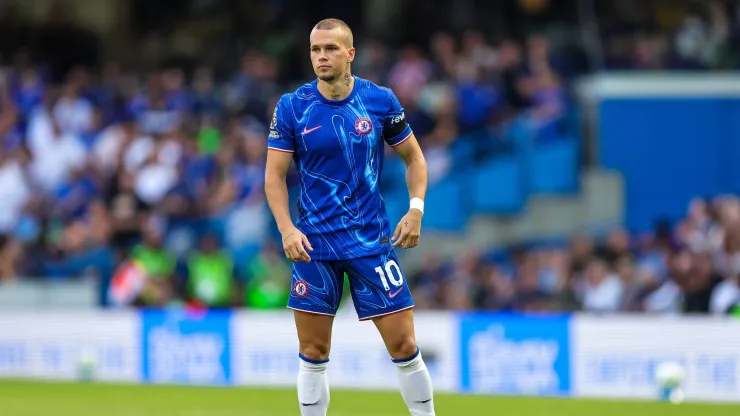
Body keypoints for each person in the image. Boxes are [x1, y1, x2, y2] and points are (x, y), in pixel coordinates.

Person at [264, 18, 434, 416]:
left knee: (405, 346)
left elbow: (415, 159)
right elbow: (273, 176)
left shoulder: (380, 101)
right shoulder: (293, 106)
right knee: (312, 351)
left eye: (331, 49)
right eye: (315, 49)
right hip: (313, 246)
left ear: (350, 54)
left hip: (369, 241)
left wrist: (415, 209)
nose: (321, 56)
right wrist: (286, 228)